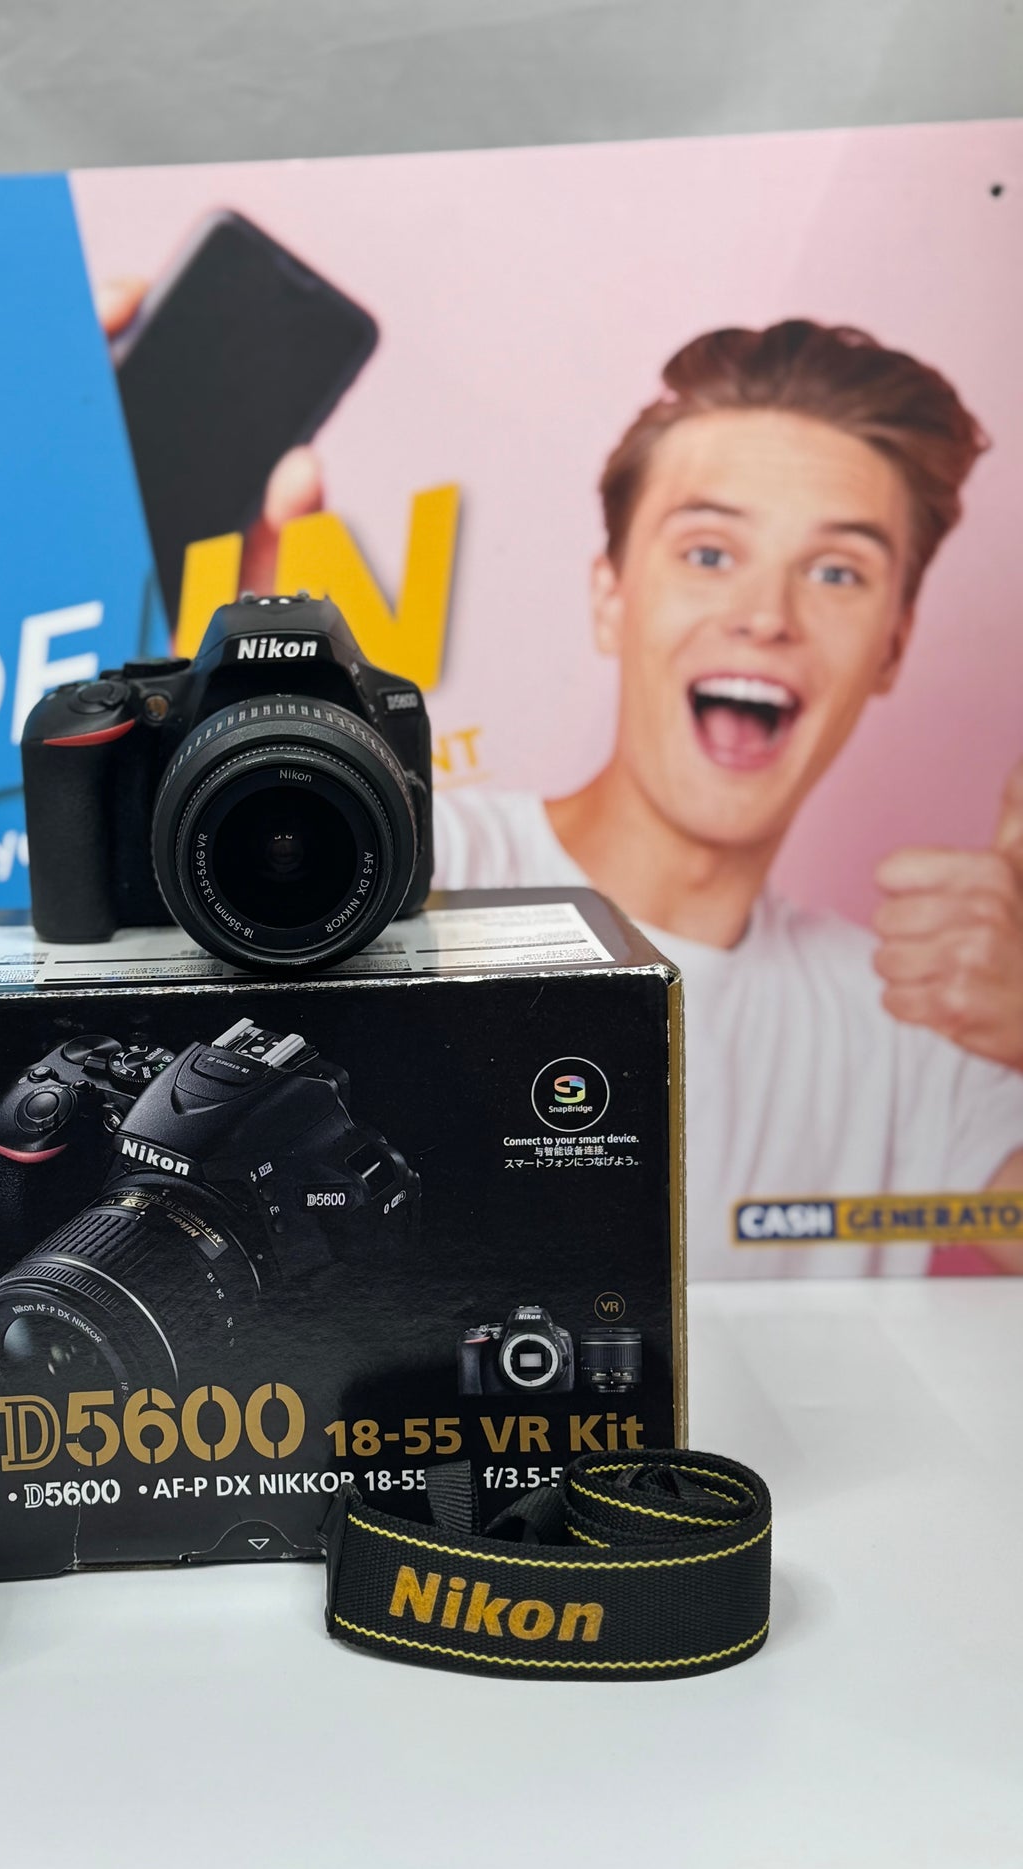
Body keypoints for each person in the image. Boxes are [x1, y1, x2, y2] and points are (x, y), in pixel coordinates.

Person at [428, 320, 1023, 1276]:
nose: (766, 616)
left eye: (836, 572)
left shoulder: (915, 1015)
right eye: (709, 554)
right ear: (611, 597)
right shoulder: (404, 875)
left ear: (893, 646)